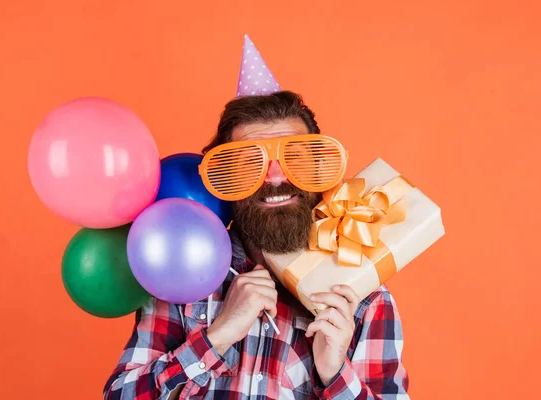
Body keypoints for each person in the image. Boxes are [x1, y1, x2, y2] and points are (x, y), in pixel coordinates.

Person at [102, 90, 410, 399]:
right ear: (225, 181)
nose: (275, 177)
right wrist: (215, 339)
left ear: (318, 171)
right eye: (251, 164)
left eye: (295, 158)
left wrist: (334, 374)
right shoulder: (181, 273)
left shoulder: (363, 298)